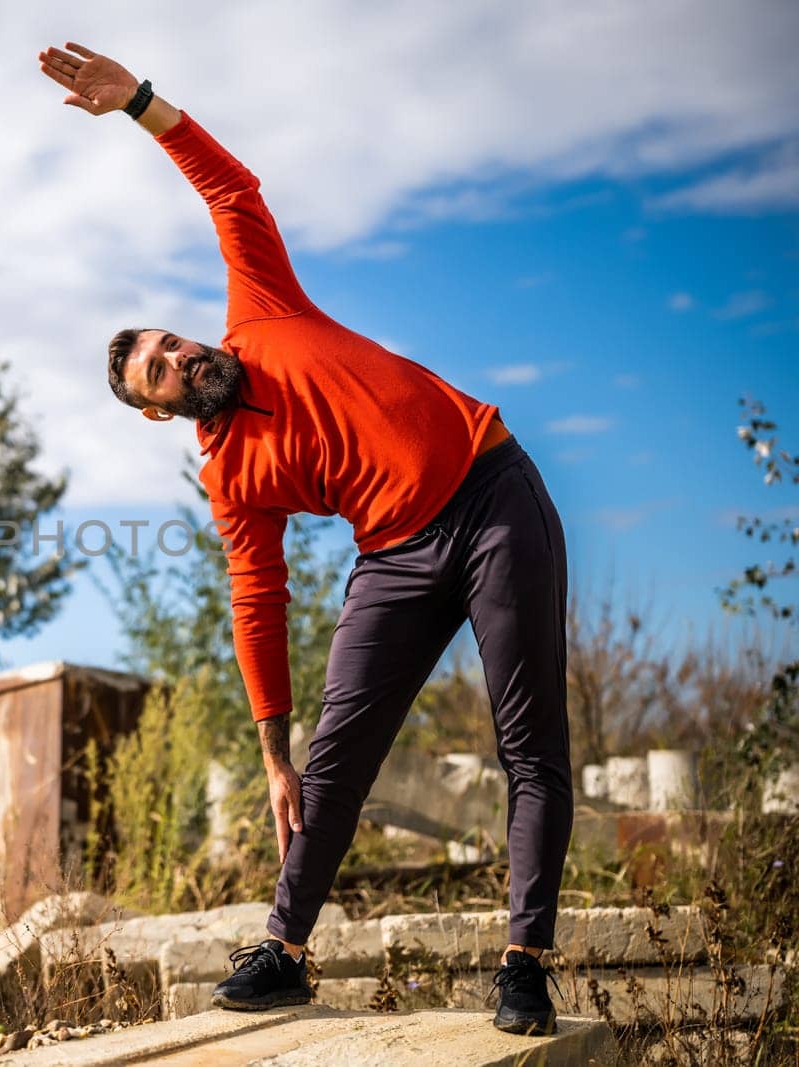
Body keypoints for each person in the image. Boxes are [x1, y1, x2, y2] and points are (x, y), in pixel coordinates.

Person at [37, 42, 574, 1037]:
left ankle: (524, 964)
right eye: (159, 370)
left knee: (527, 743)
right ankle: (283, 952)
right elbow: (257, 599)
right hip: (395, 557)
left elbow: (227, 187)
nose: (179, 354)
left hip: (494, 492)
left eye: (170, 340)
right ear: (160, 411)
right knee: (328, 764)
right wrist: (270, 751)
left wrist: (138, 104)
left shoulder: (260, 309)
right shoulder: (229, 477)